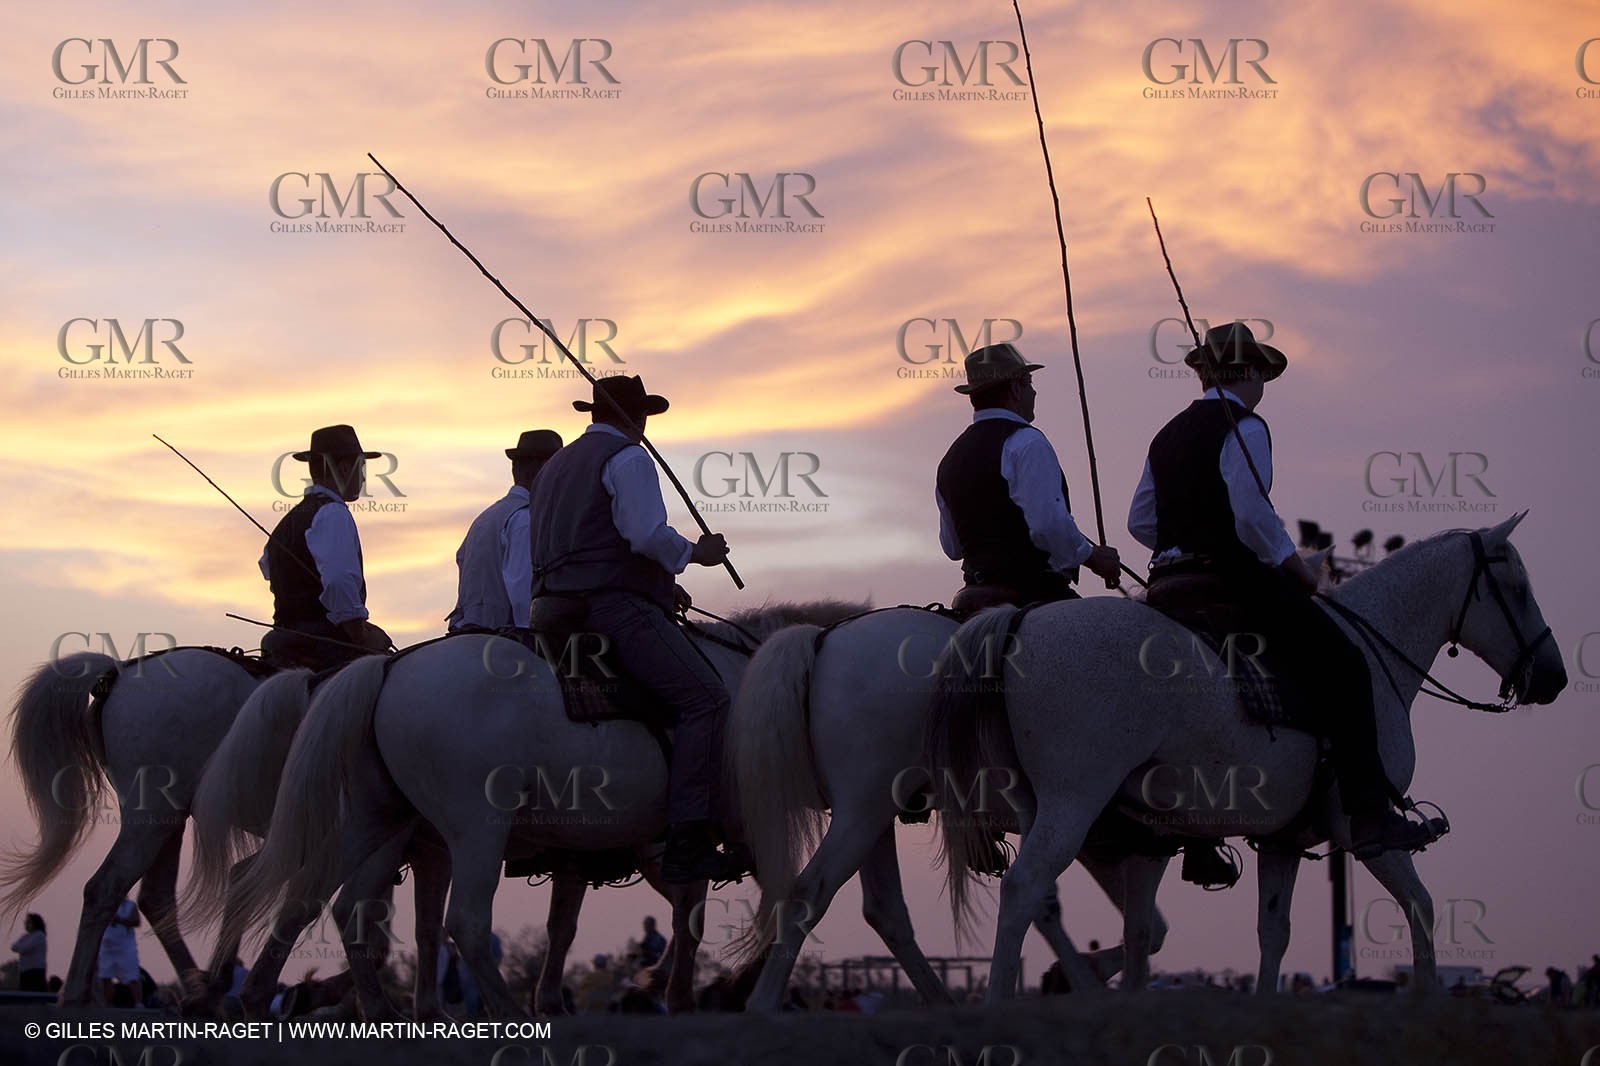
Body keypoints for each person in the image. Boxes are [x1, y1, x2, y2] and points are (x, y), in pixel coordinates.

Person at [1128, 322, 1434, 858]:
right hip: (1231, 582)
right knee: (1345, 663)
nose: (1264, 385)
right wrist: (1292, 565)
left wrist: (1185, 537)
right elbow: (1251, 514)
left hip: (1168, 585)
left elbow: (1140, 522)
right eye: (1262, 374)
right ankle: (1367, 814)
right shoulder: (1246, 426)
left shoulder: (1166, 434)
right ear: (1245, 372)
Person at [529, 375, 744, 883]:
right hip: (610, 608)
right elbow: (645, 534)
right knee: (707, 700)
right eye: (645, 415)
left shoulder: (555, 465)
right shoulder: (629, 458)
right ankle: (688, 838)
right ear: (637, 417)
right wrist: (695, 553)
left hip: (550, 614)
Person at [935, 343, 1121, 606]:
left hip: (972, 598)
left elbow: (952, 548)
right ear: (1015, 387)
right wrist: (1092, 557)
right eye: (1030, 383)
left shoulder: (950, 458)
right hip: (1032, 592)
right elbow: (1048, 526)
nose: (1033, 392)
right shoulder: (1027, 442)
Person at [259, 425, 393, 670]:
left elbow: (268, 568)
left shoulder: (286, 522)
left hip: (283, 641)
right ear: (343, 468)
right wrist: (360, 635)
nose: (363, 477)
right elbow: (339, 581)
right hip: (325, 646)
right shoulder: (333, 513)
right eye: (360, 468)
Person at [447, 431, 563, 632]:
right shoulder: (526, 520)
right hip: (502, 638)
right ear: (545, 468)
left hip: (469, 630)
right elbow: (522, 591)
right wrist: (533, 637)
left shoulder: (485, 518)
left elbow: (462, 561)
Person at [98, 898, 140, 1006]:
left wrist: (119, 919)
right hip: (107, 948)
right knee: (106, 977)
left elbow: (136, 921)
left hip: (125, 948)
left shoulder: (130, 906)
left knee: (132, 978)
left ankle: (138, 1003)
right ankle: (108, 1004)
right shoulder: (105, 904)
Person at [10, 913, 46, 992]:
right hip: (25, 971)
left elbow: (25, 948)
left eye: (28, 922)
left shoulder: (39, 935)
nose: (26, 924)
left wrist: (21, 948)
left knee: (35, 994)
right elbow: (13, 946)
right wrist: (21, 948)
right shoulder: (25, 936)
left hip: (35, 971)